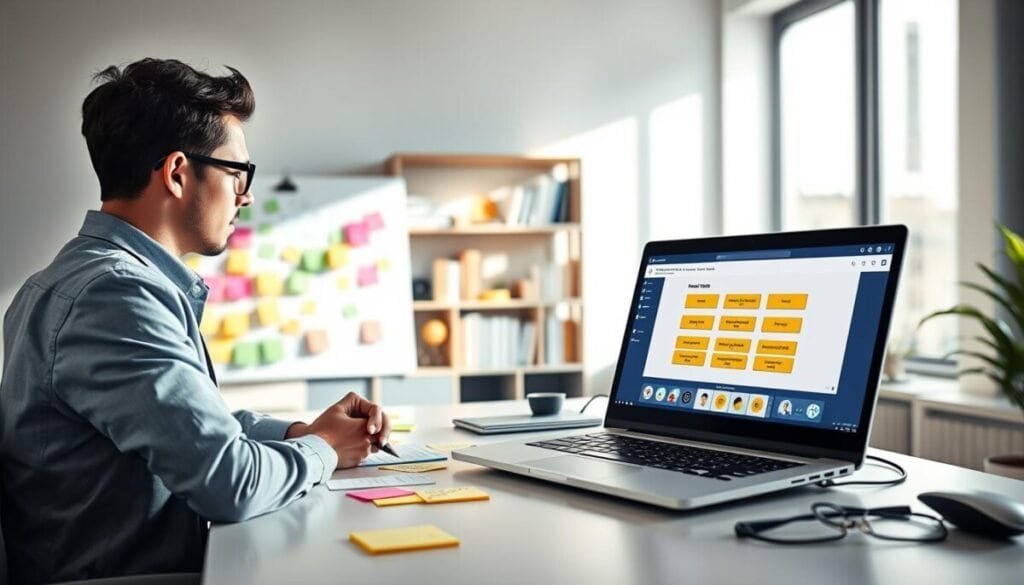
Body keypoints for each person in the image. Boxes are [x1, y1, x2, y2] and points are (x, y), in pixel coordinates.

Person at [0, 58, 391, 584]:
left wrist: (303, 432)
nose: (246, 194)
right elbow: (230, 484)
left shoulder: (77, 280)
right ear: (178, 173)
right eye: (237, 173)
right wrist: (323, 450)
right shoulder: (115, 296)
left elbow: (193, 431)